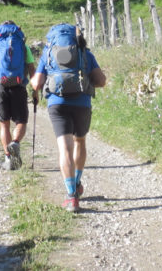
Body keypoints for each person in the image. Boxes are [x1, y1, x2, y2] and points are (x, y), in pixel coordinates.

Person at [31, 24, 106, 213]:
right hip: (82, 103)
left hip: (57, 104)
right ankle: (78, 181)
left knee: (65, 148)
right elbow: (101, 81)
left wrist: (34, 82)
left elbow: (37, 83)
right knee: (79, 141)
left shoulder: (48, 53)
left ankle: (72, 197)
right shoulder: (84, 53)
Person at [0, 21, 38, 170]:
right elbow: (32, 70)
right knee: (21, 122)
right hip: (19, 87)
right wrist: (35, 91)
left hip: (0, 86)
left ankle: (8, 158)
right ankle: (15, 142)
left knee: (4, 124)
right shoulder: (23, 46)